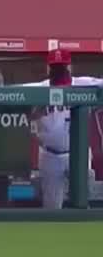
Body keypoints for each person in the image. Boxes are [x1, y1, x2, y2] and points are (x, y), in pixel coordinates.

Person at [20, 49, 103, 209]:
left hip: (78, 153)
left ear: (70, 67)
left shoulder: (83, 84)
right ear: (48, 68)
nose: (59, 70)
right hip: (50, 154)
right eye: (55, 67)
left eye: (62, 66)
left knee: (83, 201)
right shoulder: (38, 88)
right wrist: (34, 112)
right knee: (52, 206)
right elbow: (9, 93)